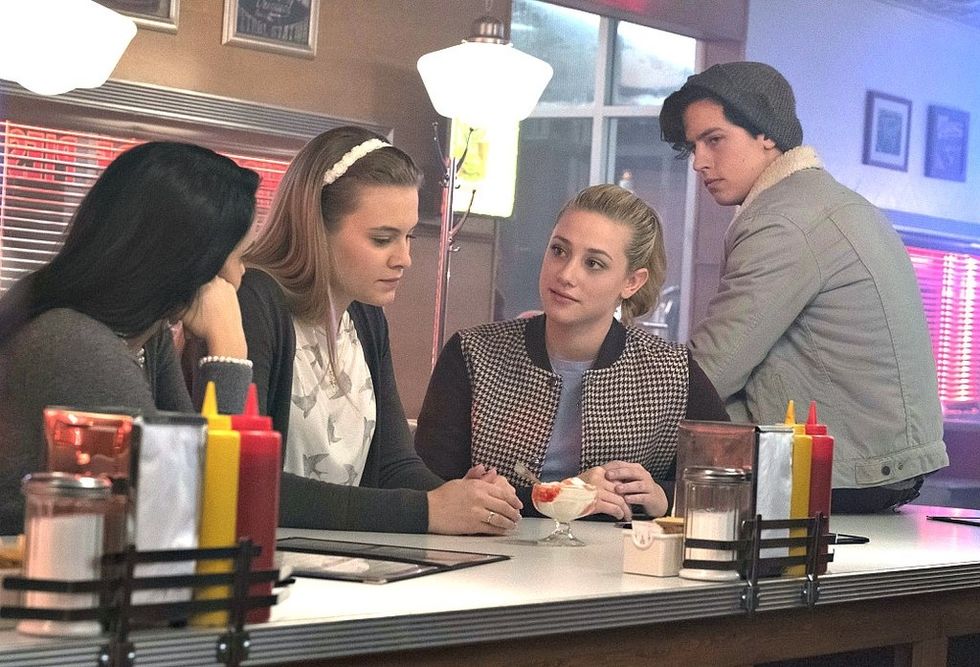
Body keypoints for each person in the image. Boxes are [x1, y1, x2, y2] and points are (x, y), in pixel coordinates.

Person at [659, 61, 947, 512]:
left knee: (639, 468)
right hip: (881, 465)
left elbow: (712, 370)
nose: (700, 162)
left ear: (766, 133)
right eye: (693, 146)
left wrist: (614, 387)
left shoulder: (782, 220)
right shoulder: (832, 201)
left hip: (849, 473)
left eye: (714, 140)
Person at [237, 126, 522, 535]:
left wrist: (460, 497)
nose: (404, 258)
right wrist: (428, 509)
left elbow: (394, 465)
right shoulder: (255, 303)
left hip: (342, 560)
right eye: (382, 239)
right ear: (315, 227)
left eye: (408, 237)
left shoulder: (366, 317)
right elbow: (248, 485)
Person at [415, 184, 730, 520]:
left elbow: (732, 484)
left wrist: (666, 497)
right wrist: (566, 496)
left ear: (632, 282)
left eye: (593, 263)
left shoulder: (671, 372)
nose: (565, 274)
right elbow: (425, 488)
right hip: (488, 546)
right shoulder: (473, 354)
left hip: (617, 553)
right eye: (559, 250)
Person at [0, 142, 258, 535]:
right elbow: (188, 509)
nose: (242, 276)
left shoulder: (146, 338)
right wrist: (229, 355)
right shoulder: (73, 344)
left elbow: (189, 469)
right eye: (241, 258)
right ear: (196, 267)